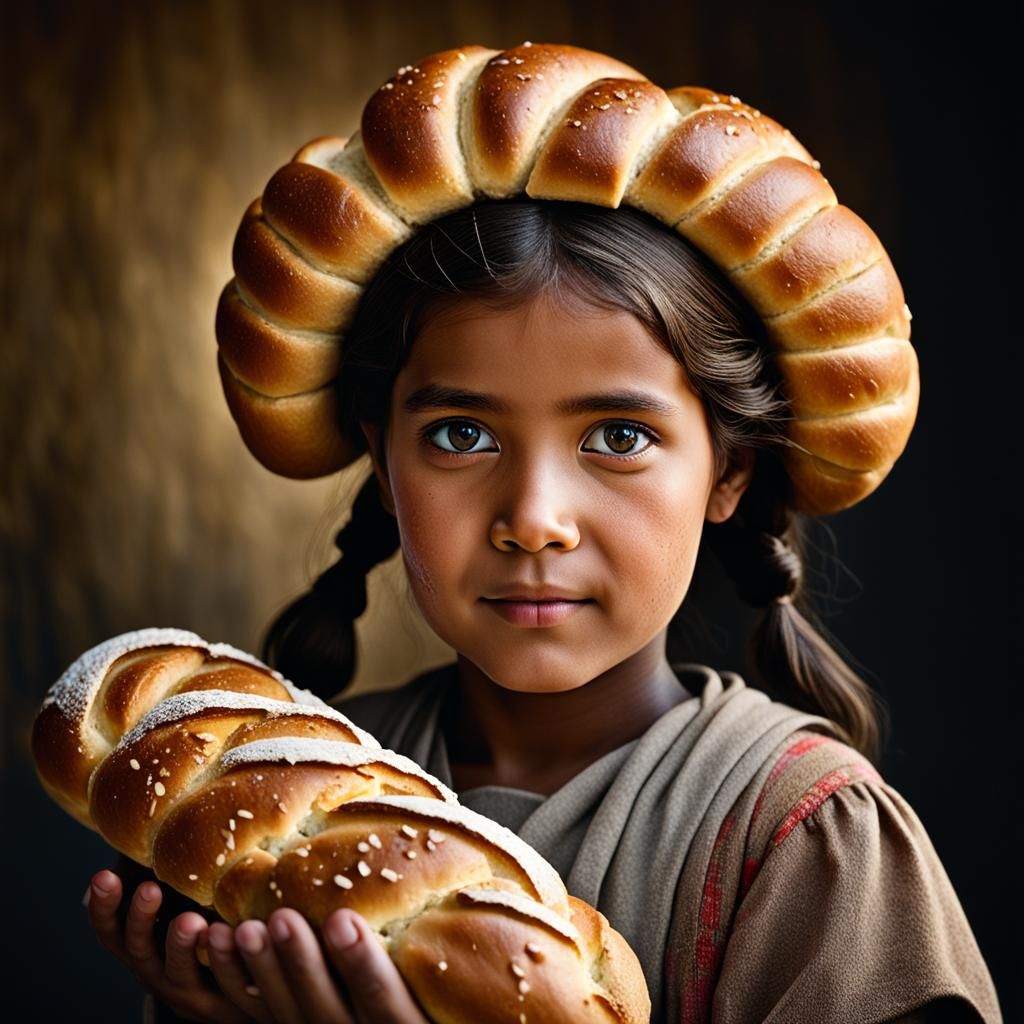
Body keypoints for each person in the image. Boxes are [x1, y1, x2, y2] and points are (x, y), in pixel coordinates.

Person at [84, 199, 1003, 1023]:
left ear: (728, 471)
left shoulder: (802, 840)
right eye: (461, 435)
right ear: (384, 463)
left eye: (618, 437)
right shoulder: (277, 806)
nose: (533, 521)